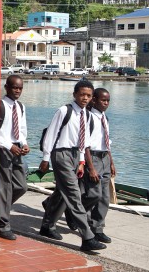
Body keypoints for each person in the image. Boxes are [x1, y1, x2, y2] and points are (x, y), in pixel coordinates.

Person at [38, 79, 107, 252]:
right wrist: (46, 158)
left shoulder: (89, 116)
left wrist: (82, 161)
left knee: (62, 192)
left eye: (88, 96)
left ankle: (47, 225)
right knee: (74, 194)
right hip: (61, 154)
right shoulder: (64, 111)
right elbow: (51, 134)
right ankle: (87, 237)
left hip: (77, 155)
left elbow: (84, 142)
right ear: (75, 94)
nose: (85, 98)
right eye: (82, 94)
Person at [0, 75, 30, 240]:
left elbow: (22, 129)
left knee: (21, 186)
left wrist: (24, 143)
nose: (17, 91)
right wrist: (10, 146)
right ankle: (2, 225)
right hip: (3, 149)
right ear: (6, 87)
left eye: (20, 88)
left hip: (17, 149)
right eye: (15, 87)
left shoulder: (20, 107)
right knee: (4, 188)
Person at [80, 87, 116, 243]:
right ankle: (79, 214)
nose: (106, 103)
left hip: (105, 158)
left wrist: (112, 162)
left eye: (108, 100)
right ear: (94, 100)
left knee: (104, 197)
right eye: (103, 100)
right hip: (93, 158)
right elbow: (85, 144)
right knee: (93, 194)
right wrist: (91, 167)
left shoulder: (104, 118)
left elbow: (106, 143)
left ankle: (98, 228)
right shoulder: (88, 117)